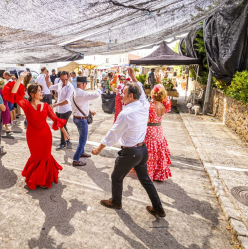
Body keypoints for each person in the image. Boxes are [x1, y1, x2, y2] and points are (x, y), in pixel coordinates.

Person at [92, 68, 165, 217]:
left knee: (116, 177)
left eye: (124, 93)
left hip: (131, 152)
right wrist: (134, 78)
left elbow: (112, 134)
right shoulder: (143, 104)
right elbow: (142, 93)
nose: (121, 95)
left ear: (131, 96)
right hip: (142, 150)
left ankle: (116, 201)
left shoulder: (126, 114)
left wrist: (99, 148)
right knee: (145, 180)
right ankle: (158, 207)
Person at [3, 71, 70, 189]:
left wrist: (64, 133)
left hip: (45, 136)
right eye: (39, 90)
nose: (41, 92)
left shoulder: (46, 106)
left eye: (41, 90)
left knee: (45, 157)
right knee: (36, 157)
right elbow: (13, 93)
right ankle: (37, 178)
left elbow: (56, 119)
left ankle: (44, 180)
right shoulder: (26, 104)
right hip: (32, 136)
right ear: (32, 94)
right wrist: (20, 79)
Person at [71, 76, 101, 166]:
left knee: (81, 137)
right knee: (82, 140)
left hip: (76, 117)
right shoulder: (82, 94)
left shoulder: (74, 92)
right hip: (81, 120)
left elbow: (80, 105)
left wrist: (88, 111)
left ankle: (82, 152)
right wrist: (99, 89)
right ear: (84, 84)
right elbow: (95, 95)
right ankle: (76, 159)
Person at [145, 83, 172, 181]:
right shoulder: (165, 105)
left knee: (150, 152)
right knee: (159, 151)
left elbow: (147, 120)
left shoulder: (150, 106)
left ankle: (148, 173)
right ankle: (158, 174)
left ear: (153, 95)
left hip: (150, 129)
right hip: (159, 129)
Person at [49, 71, 74, 151]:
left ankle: (63, 143)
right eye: (63, 80)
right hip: (59, 110)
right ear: (60, 78)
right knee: (63, 126)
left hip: (66, 110)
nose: (65, 81)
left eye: (66, 79)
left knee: (61, 126)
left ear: (68, 78)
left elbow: (67, 100)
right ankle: (68, 138)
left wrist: (55, 104)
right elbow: (50, 87)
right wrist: (46, 79)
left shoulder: (70, 87)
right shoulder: (59, 84)